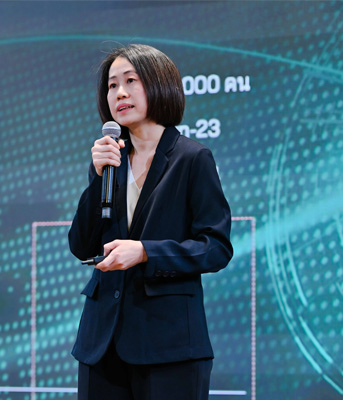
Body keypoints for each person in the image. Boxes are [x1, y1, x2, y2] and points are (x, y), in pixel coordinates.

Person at [68, 44, 234, 400]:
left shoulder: (192, 158)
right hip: (102, 344)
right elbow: (81, 245)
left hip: (168, 344)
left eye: (131, 81)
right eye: (112, 85)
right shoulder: (108, 160)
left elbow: (215, 247)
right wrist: (97, 178)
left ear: (160, 84)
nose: (120, 93)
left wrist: (145, 252)